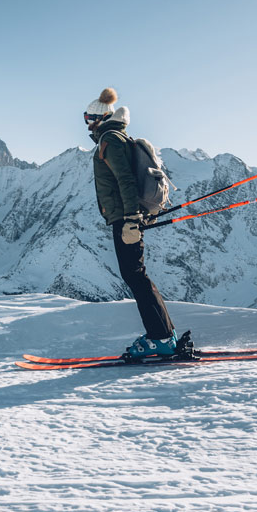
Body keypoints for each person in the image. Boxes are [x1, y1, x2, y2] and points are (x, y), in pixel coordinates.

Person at [85, 87, 182, 357]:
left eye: (88, 117)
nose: (87, 123)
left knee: (135, 276)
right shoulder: (115, 137)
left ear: (99, 117)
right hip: (127, 216)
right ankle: (165, 334)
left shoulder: (111, 139)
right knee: (137, 275)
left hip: (126, 218)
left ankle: (161, 337)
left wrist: (130, 220)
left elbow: (125, 180)